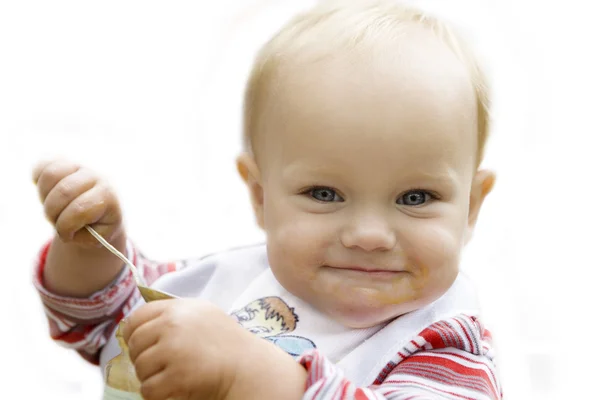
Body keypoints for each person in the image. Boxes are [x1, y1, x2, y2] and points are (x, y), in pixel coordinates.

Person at [32, 0, 501, 399]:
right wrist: (92, 247)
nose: (369, 235)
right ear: (260, 196)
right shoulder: (233, 284)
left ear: (470, 208)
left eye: (416, 197)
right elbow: (102, 321)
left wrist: (250, 375)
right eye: (324, 193)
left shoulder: (446, 348)